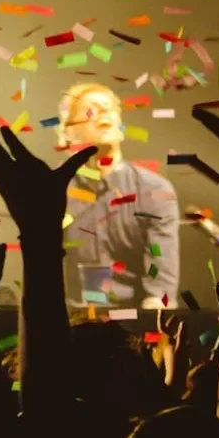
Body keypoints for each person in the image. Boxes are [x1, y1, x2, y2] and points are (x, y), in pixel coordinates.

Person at [57, 82, 180, 309]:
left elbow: (161, 282)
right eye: (91, 110)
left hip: (134, 325)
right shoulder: (56, 191)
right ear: (70, 131)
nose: (104, 112)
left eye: (109, 108)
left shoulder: (154, 190)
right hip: (71, 325)